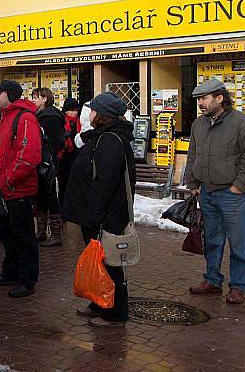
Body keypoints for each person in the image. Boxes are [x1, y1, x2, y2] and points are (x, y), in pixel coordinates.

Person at [62, 92, 135, 326]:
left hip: (106, 215)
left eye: (93, 110)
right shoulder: (101, 136)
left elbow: (106, 181)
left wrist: (97, 214)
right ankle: (99, 301)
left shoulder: (111, 139)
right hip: (94, 212)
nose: (89, 113)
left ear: (102, 115)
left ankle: (115, 313)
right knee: (99, 261)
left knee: (111, 264)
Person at [186, 78, 245, 305]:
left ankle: (239, 287)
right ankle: (212, 280)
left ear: (220, 98)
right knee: (212, 240)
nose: (200, 103)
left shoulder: (240, 122)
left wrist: (239, 186)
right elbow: (193, 154)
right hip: (207, 192)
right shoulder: (198, 124)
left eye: (204, 98)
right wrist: (192, 183)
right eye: (199, 99)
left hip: (232, 194)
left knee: (239, 243)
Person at [0, 80, 42, 298]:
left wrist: (6, 182)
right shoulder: (4, 117)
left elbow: (28, 156)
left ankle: (27, 280)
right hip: (4, 190)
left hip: (18, 190)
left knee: (23, 237)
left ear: (9, 95)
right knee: (7, 236)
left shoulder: (24, 117)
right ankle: (10, 272)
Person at [31, 87, 65, 247]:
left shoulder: (50, 117)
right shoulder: (41, 115)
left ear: (45, 99)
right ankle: (42, 231)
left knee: (50, 196)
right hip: (42, 162)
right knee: (41, 196)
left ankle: (55, 234)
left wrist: (46, 160)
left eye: (36, 97)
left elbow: (52, 143)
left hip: (48, 163)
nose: (33, 100)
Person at [58, 98, 82, 213]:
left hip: (76, 158)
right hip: (64, 159)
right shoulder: (61, 121)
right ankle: (62, 208)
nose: (73, 113)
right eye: (71, 110)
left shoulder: (80, 122)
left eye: (75, 110)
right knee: (63, 185)